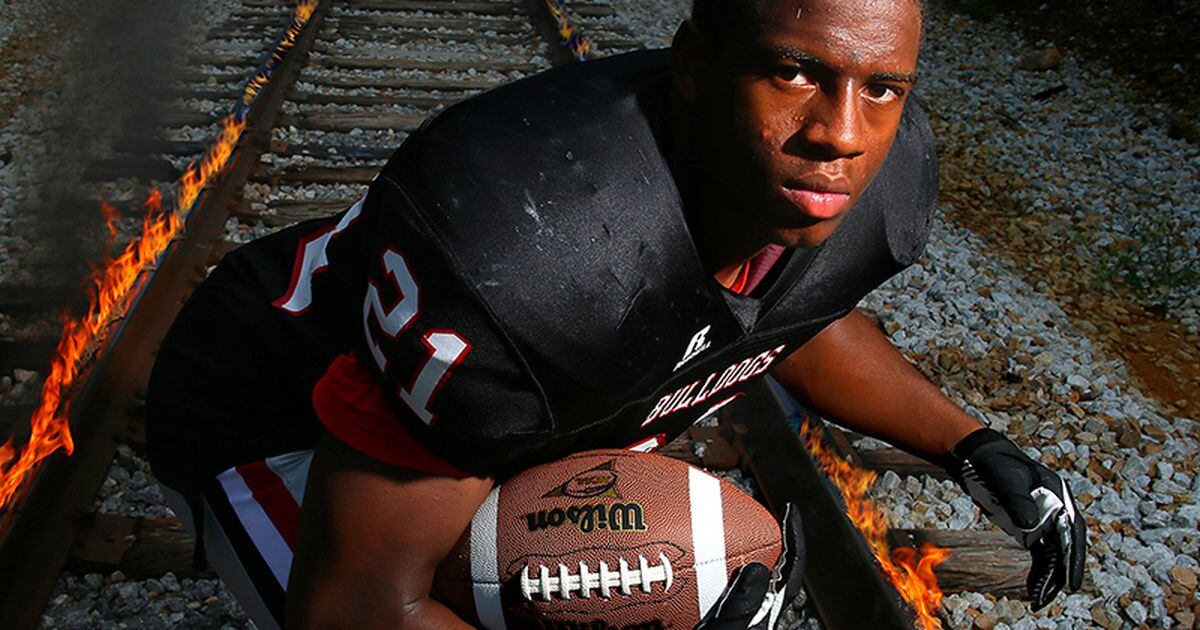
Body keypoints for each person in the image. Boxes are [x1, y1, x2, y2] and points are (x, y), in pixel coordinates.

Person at [145, 0, 1086, 627]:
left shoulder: (853, 166)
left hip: (514, 372)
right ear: (695, 66)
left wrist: (972, 444)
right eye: (795, 73)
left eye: (880, 87)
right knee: (658, 580)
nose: (842, 131)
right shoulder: (530, 270)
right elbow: (357, 608)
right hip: (282, 416)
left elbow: (796, 312)